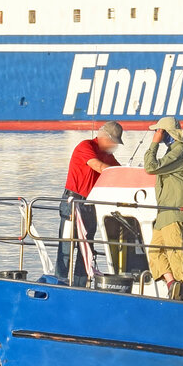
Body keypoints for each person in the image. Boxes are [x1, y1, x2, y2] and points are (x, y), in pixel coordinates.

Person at [143, 116, 183, 298]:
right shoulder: (174, 153)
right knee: (154, 250)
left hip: (176, 212)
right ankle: (172, 284)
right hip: (165, 214)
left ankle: (179, 287)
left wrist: (154, 144)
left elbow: (150, 167)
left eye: (158, 131)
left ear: (166, 133)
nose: (156, 134)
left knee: (173, 249)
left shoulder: (180, 151)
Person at [58, 121, 123, 282]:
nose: (114, 145)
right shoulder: (85, 146)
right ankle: (60, 281)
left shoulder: (108, 155)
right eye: (113, 141)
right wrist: (117, 173)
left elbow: (118, 170)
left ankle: (81, 284)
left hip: (90, 205)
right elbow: (98, 166)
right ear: (104, 137)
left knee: (86, 248)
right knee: (67, 245)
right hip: (72, 202)